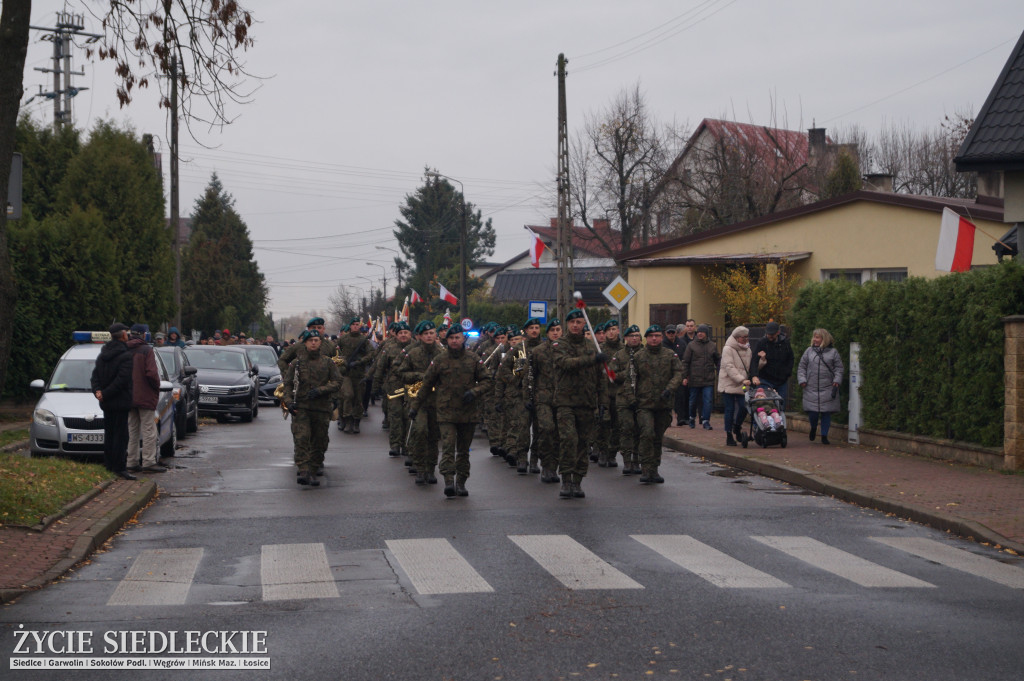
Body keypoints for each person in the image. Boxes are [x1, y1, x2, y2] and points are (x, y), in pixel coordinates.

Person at [411, 326, 492, 497]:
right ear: (447, 340)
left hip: (468, 413)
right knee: (448, 447)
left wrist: (474, 392)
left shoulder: (473, 359)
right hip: (446, 412)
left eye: (457, 337)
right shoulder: (440, 360)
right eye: (451, 338)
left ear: (463, 339)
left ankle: (461, 482)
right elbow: (426, 385)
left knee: (463, 450)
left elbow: (487, 380)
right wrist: (415, 407)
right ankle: (448, 479)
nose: (455, 341)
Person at [553, 309, 607, 499]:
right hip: (565, 402)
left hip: (586, 401)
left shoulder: (591, 346)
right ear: (567, 324)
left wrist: (602, 402)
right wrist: (592, 359)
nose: (575, 325)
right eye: (572, 322)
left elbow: (600, 378)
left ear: (584, 324)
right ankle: (566, 479)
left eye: (579, 322)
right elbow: (566, 363)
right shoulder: (560, 344)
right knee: (569, 440)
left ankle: (577, 480)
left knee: (583, 443)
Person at [282, 330, 341, 485]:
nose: (313, 343)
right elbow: (287, 384)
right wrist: (288, 402)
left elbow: (337, 382)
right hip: (301, 408)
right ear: (305, 343)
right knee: (301, 438)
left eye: (316, 340)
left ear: (320, 342)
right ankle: (303, 470)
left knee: (319, 441)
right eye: (310, 340)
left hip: (321, 408)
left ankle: (313, 470)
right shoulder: (296, 363)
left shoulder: (328, 362)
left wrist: (321, 390)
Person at [633, 325, 683, 483]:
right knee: (647, 433)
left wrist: (670, 389)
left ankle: (654, 469)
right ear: (646, 338)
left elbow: (679, 373)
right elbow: (631, 380)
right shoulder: (638, 356)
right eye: (651, 336)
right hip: (644, 404)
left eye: (657, 335)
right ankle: (645, 468)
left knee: (657, 437)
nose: (654, 338)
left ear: (661, 337)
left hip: (663, 403)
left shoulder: (670, 355)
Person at [398, 321, 442, 483]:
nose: (429, 336)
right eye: (426, 334)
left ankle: (430, 469)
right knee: (420, 431)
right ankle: (420, 467)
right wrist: (418, 376)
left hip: (436, 400)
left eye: (431, 333)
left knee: (433, 435)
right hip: (417, 399)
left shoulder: (442, 353)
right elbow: (401, 373)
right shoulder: (413, 353)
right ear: (420, 337)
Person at [90, 323, 136, 480]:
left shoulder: (103, 354)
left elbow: (95, 376)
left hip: (106, 402)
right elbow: (122, 380)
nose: (128, 335)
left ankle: (109, 465)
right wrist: (105, 394)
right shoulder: (126, 355)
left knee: (109, 434)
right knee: (121, 436)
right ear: (123, 335)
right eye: (126, 332)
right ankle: (119, 467)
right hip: (120, 401)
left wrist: (98, 392)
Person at [126, 324, 165, 473]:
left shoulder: (125, 349)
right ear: (143, 335)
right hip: (145, 396)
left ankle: (131, 461)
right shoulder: (146, 350)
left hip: (129, 396)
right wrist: (156, 387)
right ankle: (148, 462)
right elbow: (151, 373)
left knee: (132, 430)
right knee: (149, 430)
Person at [372, 321, 413, 457]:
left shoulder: (416, 348)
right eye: (400, 333)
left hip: (411, 388)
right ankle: (395, 445)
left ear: (410, 334)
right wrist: (375, 386)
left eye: (405, 333)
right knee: (395, 416)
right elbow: (380, 367)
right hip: (394, 387)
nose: (403, 335)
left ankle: (407, 446)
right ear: (396, 335)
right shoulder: (389, 348)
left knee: (408, 417)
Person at [798, 328, 844, 445]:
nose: (814, 339)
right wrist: (802, 380)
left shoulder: (833, 353)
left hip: (827, 387)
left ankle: (824, 435)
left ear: (824, 339)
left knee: (826, 413)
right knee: (812, 413)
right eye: (814, 337)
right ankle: (813, 427)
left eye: (817, 337)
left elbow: (839, 369)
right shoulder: (809, 351)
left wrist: (837, 381)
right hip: (811, 387)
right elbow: (802, 367)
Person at [532, 318, 562, 482]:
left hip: (563, 398)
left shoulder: (567, 350)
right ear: (548, 333)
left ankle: (553, 468)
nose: (555, 333)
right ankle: (546, 465)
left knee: (558, 434)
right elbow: (531, 376)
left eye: (558, 330)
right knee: (546, 429)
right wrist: (529, 397)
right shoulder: (538, 351)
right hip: (543, 398)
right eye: (552, 330)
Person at [611, 324, 643, 474]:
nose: (635, 338)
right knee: (626, 428)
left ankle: (637, 459)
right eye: (632, 336)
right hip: (623, 397)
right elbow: (611, 375)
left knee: (639, 429)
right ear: (626, 338)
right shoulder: (619, 355)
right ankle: (627, 461)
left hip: (642, 398)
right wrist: (629, 373)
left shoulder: (645, 353)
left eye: (637, 336)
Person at [719, 326, 757, 446]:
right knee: (729, 409)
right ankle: (729, 434)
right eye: (743, 337)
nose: (745, 340)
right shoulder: (728, 349)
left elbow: (750, 367)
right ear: (736, 338)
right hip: (729, 383)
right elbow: (729, 367)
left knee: (744, 406)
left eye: (747, 337)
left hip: (742, 384)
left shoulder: (748, 349)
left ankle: (737, 427)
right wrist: (741, 379)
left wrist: (762, 361)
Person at [336, 316, 372, 433]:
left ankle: (356, 422)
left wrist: (360, 361)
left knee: (358, 398)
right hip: (346, 373)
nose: (356, 326)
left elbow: (371, 354)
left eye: (358, 324)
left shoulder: (364, 340)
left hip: (359, 373)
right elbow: (337, 353)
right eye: (354, 324)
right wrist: (343, 362)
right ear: (350, 326)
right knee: (347, 395)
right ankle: (347, 420)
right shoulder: (343, 339)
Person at [680, 324, 720, 430]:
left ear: (706, 333)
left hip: (708, 378)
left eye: (702, 332)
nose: (700, 334)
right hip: (694, 378)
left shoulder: (712, 345)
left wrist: (720, 372)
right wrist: (684, 376)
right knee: (693, 401)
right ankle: (692, 417)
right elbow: (686, 362)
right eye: (698, 332)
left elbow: (718, 360)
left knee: (708, 401)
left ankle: (706, 420)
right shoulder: (691, 345)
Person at [750, 321, 795, 404]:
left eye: (772, 334)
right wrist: (754, 375)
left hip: (781, 380)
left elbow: (790, 358)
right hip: (766, 379)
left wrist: (787, 372)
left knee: (781, 405)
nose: (769, 336)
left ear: (778, 332)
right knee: (766, 404)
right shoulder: (762, 343)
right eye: (768, 334)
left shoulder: (785, 343)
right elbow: (754, 360)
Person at [675, 320, 698, 425]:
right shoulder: (682, 342)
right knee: (683, 395)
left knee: (693, 396)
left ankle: (692, 416)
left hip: (696, 371)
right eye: (687, 326)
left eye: (691, 326)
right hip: (684, 370)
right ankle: (683, 416)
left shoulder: (699, 338)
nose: (689, 328)